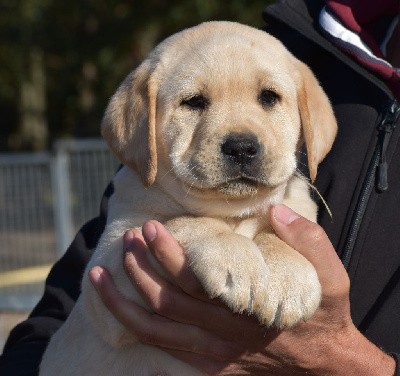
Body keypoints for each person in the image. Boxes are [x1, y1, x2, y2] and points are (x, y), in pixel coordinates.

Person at [1, 0, 399, 374]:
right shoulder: (305, 40)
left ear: (306, 118)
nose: (241, 138)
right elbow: (100, 302)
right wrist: (191, 235)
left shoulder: (295, 189)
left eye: (268, 97)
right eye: (194, 101)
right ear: (144, 129)